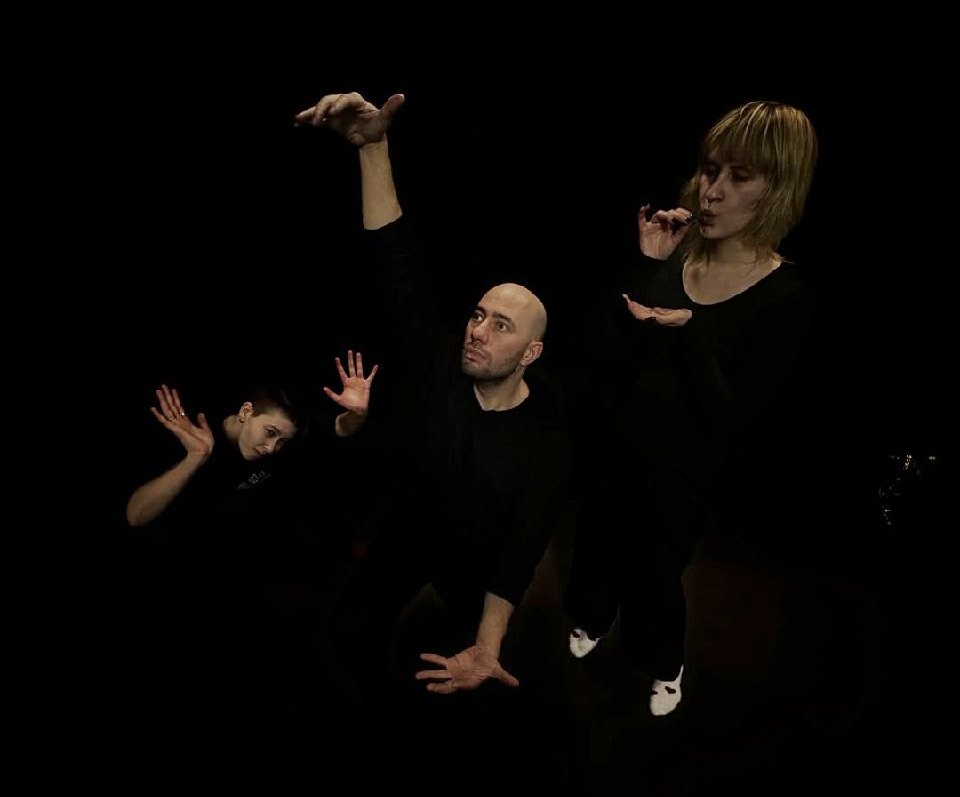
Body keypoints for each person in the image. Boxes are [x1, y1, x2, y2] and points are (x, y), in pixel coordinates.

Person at [295, 91, 571, 770]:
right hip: (407, 527)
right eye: (478, 315)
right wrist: (373, 148)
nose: (478, 330)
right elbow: (393, 265)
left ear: (531, 352)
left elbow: (523, 541)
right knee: (344, 641)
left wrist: (489, 642)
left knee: (461, 695)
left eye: (500, 326)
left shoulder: (546, 437)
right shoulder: (439, 368)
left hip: (472, 557)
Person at [563, 101, 818, 716]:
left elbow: (736, 421)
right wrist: (646, 265)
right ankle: (593, 616)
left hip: (682, 474)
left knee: (654, 574)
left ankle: (662, 662)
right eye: (709, 170)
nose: (712, 191)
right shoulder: (673, 253)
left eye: (739, 177)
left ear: (778, 189)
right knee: (597, 547)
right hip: (617, 448)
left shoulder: (784, 296)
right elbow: (603, 359)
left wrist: (690, 334)